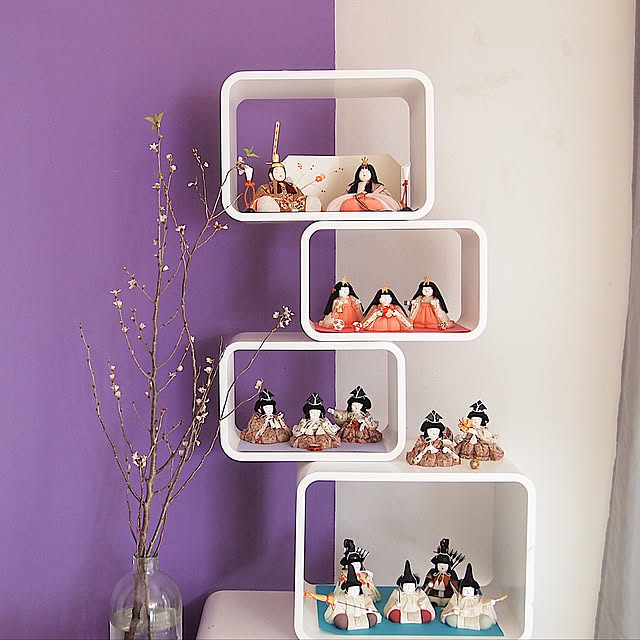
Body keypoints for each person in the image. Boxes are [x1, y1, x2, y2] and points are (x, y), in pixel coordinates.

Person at [252, 121, 322, 212]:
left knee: (311, 199)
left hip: (294, 205)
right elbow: (258, 199)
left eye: (282, 171)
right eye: (277, 172)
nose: (280, 173)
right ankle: (271, 209)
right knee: (265, 201)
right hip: (277, 205)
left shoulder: (292, 186)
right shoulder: (265, 187)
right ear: (271, 175)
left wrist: (298, 201)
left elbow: (300, 196)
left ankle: (310, 207)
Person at [441, 563, 502, 630]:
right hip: (460, 617)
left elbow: (484, 601)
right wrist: (455, 609)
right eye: (465, 590)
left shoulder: (478, 598)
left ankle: (478, 624)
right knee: (451, 619)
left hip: (476, 617)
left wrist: (490, 602)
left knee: (486, 621)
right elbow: (452, 604)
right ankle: (459, 623)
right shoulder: (457, 597)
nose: (467, 592)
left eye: (470, 590)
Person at [326, 158, 401, 212]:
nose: (364, 174)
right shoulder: (353, 186)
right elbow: (345, 195)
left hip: (371, 203)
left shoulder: (377, 187)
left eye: (366, 172)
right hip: (354, 204)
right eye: (362, 172)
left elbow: (386, 197)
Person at [324, 564, 382, 630]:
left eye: (356, 589)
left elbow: (370, 605)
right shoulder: (341, 598)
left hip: (363, 618)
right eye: (351, 589)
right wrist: (334, 603)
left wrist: (369, 609)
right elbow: (338, 607)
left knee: (372, 618)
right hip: (348, 619)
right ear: (347, 590)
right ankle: (347, 624)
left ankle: (364, 623)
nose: (354, 591)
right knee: (340, 620)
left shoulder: (365, 597)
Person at [422, 538, 464, 607]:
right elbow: (426, 583)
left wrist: (451, 583)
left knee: (450, 602)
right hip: (434, 595)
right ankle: (433, 603)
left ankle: (448, 604)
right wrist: (430, 583)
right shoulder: (433, 572)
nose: (442, 567)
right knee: (432, 602)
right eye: (440, 565)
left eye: (444, 565)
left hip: (447, 596)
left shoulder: (451, 574)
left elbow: (455, 585)